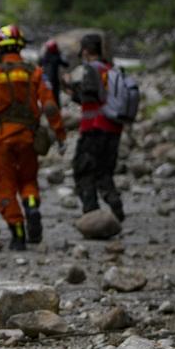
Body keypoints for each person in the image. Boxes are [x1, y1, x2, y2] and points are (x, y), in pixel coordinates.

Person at [0, 25, 66, 249]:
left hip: (3, 141)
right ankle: (32, 206)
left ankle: (17, 233)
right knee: (28, 180)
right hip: (28, 138)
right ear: (20, 47)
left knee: (4, 185)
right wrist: (60, 134)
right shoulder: (35, 72)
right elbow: (50, 107)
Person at [70, 33, 124, 220]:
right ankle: (115, 204)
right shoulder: (112, 69)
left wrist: (72, 88)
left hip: (93, 129)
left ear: (85, 50)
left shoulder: (91, 69)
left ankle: (91, 213)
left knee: (83, 171)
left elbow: (89, 95)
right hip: (114, 128)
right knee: (104, 172)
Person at [40, 39, 68, 107]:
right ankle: (57, 109)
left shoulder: (45, 56)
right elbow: (66, 64)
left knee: (47, 95)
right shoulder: (57, 57)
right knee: (55, 96)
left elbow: (39, 64)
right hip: (53, 79)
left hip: (45, 79)